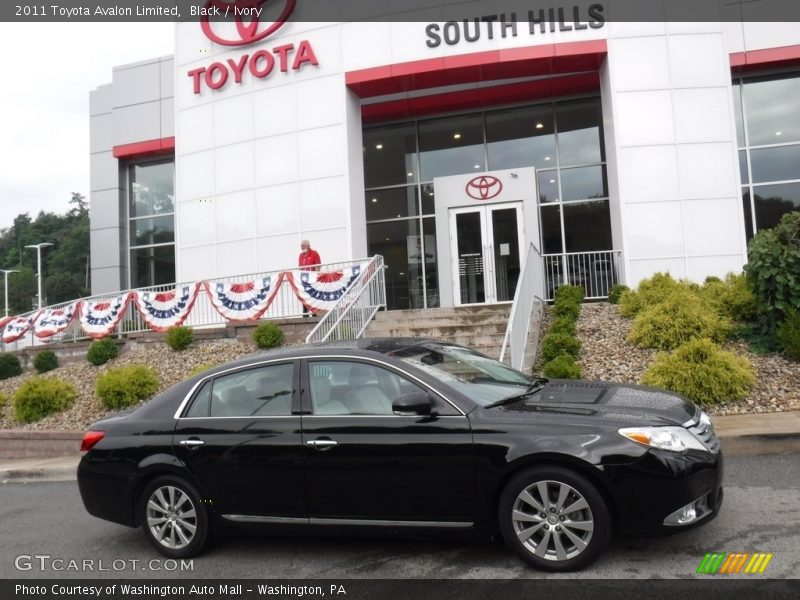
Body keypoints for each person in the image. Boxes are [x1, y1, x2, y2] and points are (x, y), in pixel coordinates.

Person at [298, 239, 321, 317]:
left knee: (313, 296)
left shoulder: (314, 253)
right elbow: (300, 268)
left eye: (303, 246)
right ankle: (305, 313)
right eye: (301, 246)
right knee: (304, 295)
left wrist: (316, 276)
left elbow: (318, 266)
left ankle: (314, 312)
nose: (301, 247)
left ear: (307, 245)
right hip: (304, 279)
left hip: (312, 279)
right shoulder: (301, 255)